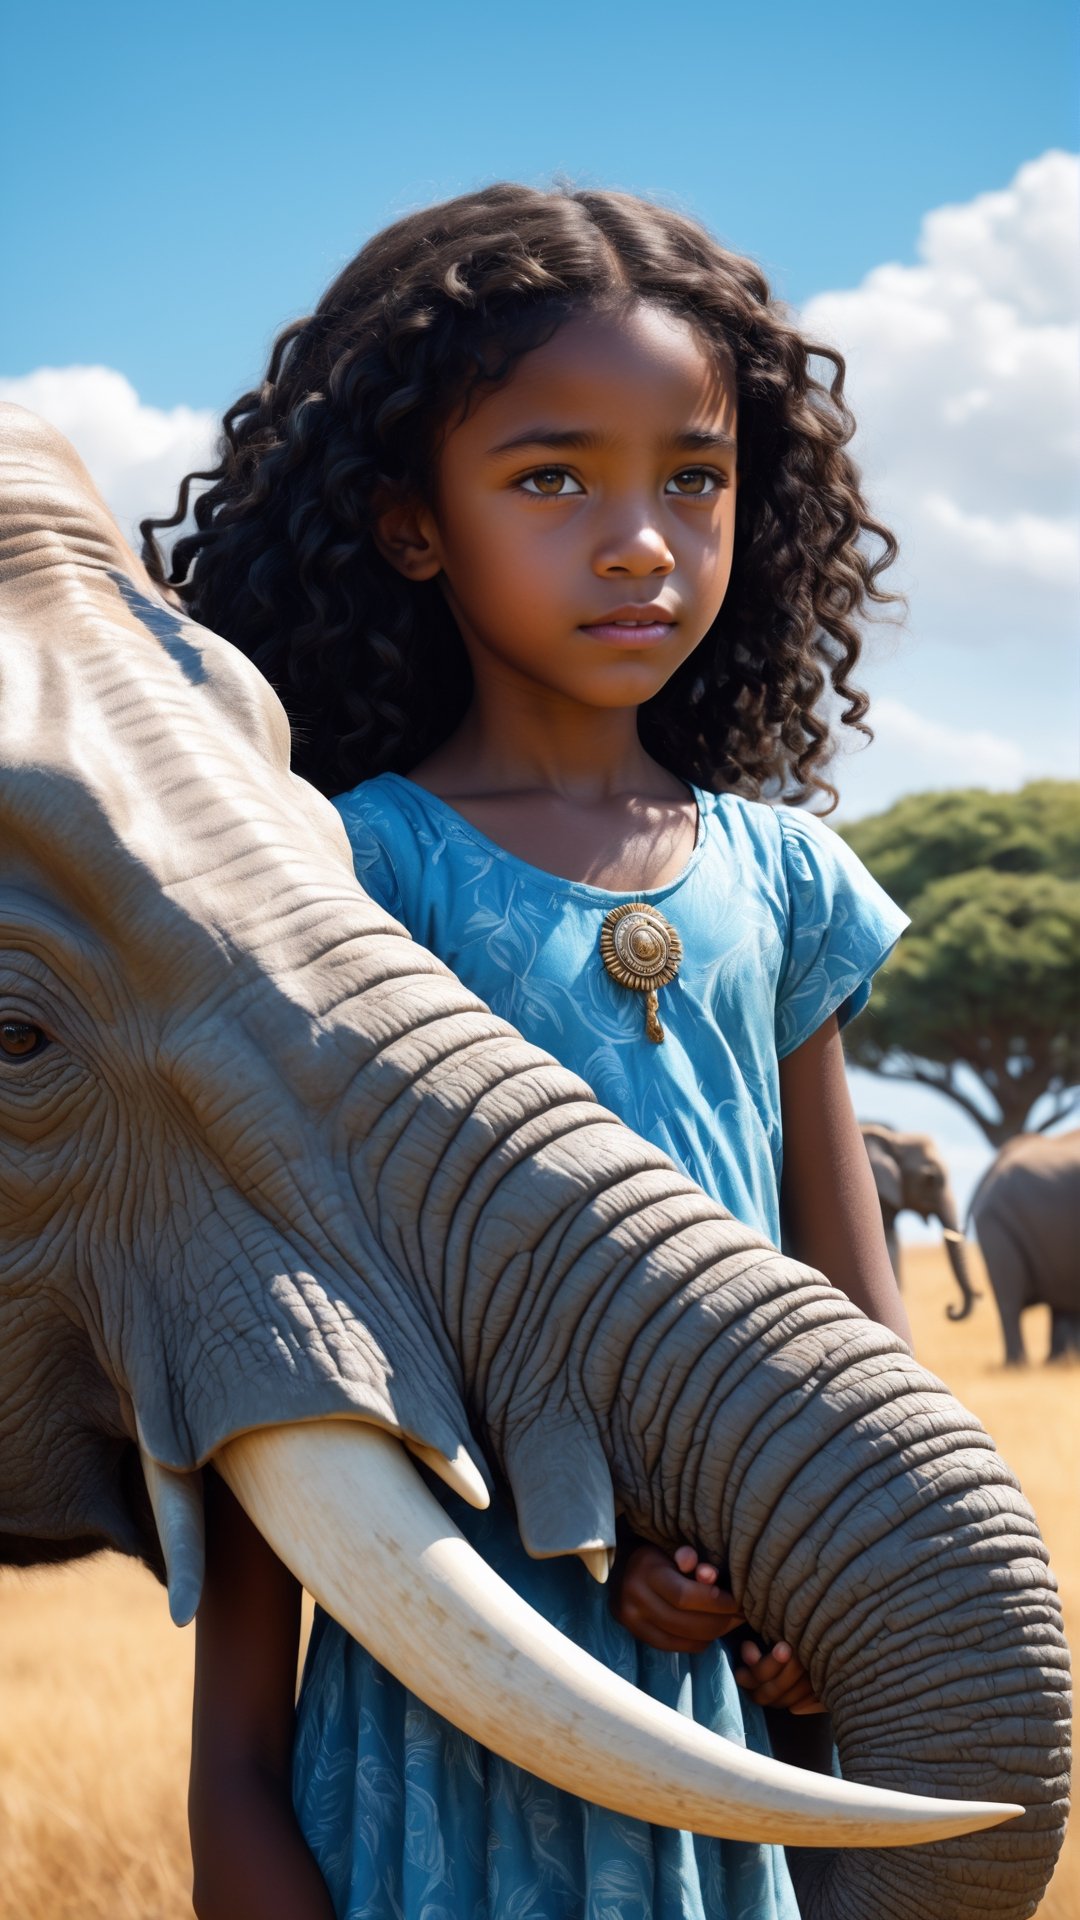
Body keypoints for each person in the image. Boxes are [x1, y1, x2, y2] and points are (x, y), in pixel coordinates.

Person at [144, 183, 913, 1920]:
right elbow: (307, 1307)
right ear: (414, 526)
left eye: (693, 478)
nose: (640, 537)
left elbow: (849, 1302)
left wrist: (823, 1587)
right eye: (553, 478)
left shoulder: (786, 880)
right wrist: (240, 1792)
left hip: (737, 1702)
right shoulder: (346, 872)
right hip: (450, 1676)